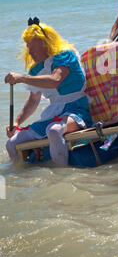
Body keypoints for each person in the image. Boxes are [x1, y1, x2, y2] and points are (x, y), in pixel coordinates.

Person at [4, 17, 92, 165]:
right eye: (27, 46)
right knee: (11, 143)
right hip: (53, 113)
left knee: (54, 130)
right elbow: (33, 100)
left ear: (45, 43)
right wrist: (16, 122)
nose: (29, 51)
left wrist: (21, 78)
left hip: (76, 109)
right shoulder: (36, 69)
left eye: (32, 45)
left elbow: (55, 80)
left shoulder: (65, 55)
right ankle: (22, 178)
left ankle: (62, 176)